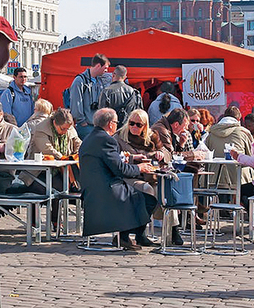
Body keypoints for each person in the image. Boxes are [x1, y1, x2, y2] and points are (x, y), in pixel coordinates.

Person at [79, 108, 156, 250]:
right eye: (115, 122)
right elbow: (120, 169)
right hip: (106, 189)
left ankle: (129, 236)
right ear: (109, 124)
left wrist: (131, 158)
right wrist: (140, 168)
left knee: (140, 194)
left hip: (92, 188)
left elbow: (109, 160)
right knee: (148, 198)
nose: (116, 125)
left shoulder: (90, 138)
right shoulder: (107, 140)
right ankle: (126, 236)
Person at [115, 109, 183, 245]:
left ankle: (174, 230)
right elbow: (116, 160)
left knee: (167, 191)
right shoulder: (119, 137)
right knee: (147, 190)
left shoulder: (152, 136)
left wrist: (160, 154)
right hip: (130, 177)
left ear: (145, 126)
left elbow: (167, 153)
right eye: (131, 123)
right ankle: (140, 232)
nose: (134, 127)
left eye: (138, 125)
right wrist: (134, 159)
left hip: (151, 175)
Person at [204, 105, 254, 200]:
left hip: (214, 178)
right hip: (239, 178)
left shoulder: (211, 133)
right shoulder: (244, 133)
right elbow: (252, 156)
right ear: (239, 119)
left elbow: (206, 154)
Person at [69, 53, 110, 139]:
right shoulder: (80, 81)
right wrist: (82, 121)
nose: (106, 71)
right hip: (85, 125)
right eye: (105, 68)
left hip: (96, 124)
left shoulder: (99, 81)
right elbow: (76, 103)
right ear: (98, 66)